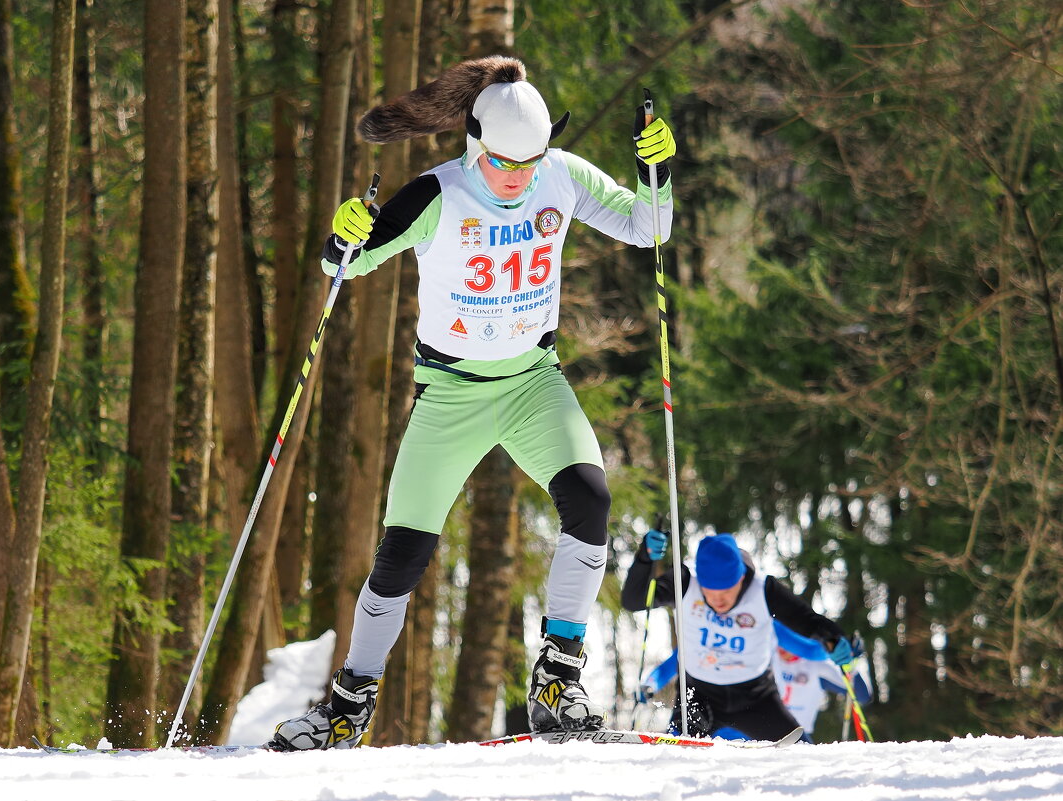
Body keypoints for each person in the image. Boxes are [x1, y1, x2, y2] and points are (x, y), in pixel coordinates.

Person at [269, 56, 676, 750]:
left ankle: (557, 680)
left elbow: (648, 228)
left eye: (529, 162)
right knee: (403, 552)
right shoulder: (437, 194)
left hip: (531, 382)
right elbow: (344, 266)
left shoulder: (562, 175)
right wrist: (345, 234)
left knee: (589, 500)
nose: (517, 178)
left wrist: (654, 174)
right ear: (474, 141)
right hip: (450, 395)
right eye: (503, 163)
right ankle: (347, 707)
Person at [621, 530, 860, 742]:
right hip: (699, 696)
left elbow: (807, 620)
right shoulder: (685, 581)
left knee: (802, 753)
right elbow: (633, 600)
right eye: (709, 592)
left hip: (755, 697)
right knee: (674, 756)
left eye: (726, 591)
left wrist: (834, 640)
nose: (718, 601)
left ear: (741, 578)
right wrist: (644, 559)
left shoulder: (763, 589)